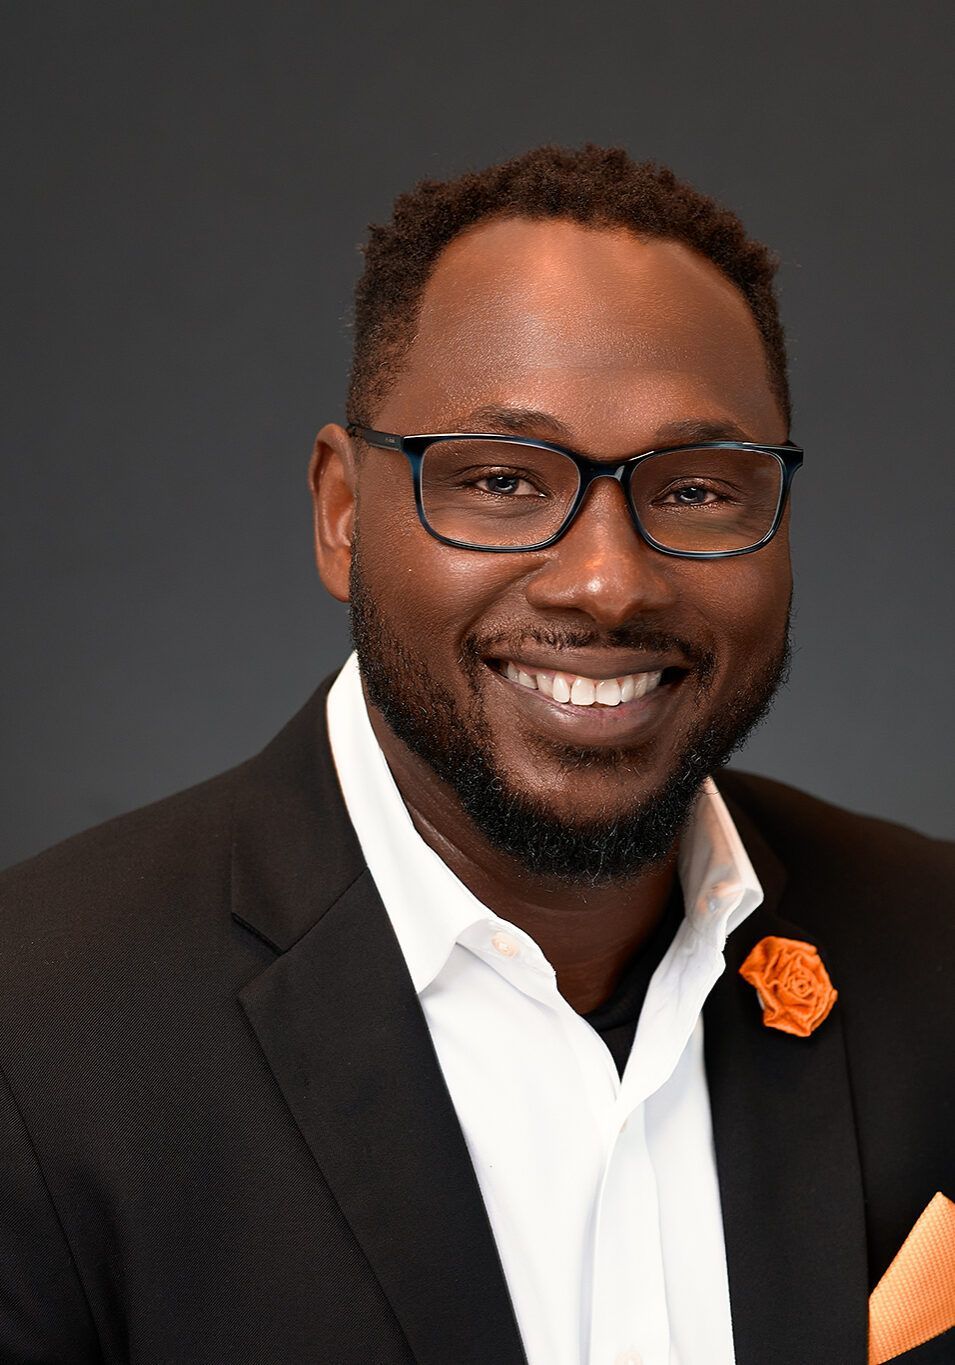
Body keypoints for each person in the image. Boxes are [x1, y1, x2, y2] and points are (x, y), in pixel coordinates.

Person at [0, 145, 951, 1365]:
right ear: (343, 514)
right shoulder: (40, 1043)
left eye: (699, 490)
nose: (609, 582)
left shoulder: (937, 954)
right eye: (502, 480)